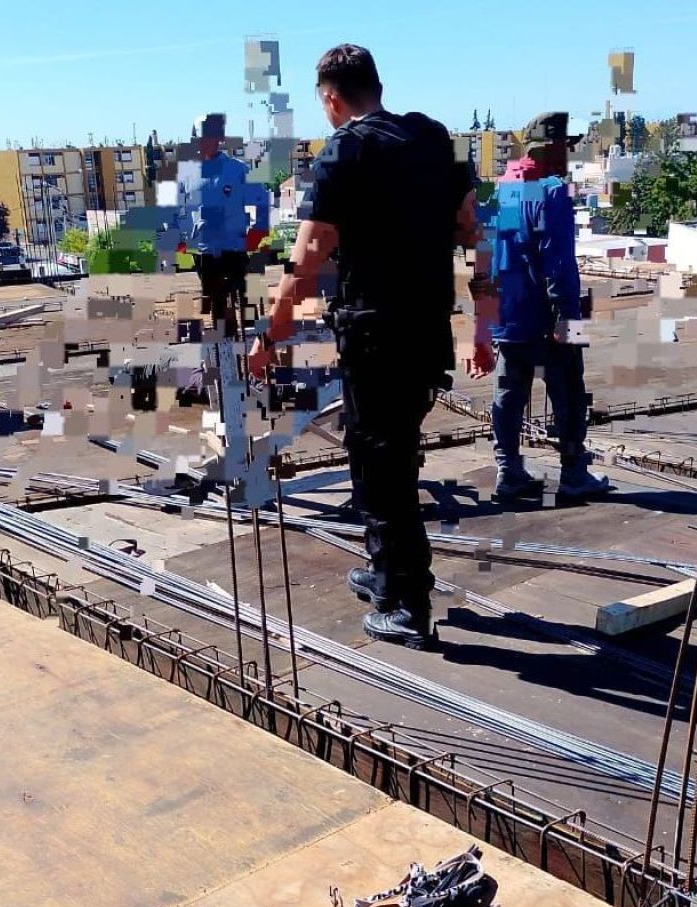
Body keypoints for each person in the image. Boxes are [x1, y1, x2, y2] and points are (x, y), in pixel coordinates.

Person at [249, 44, 479, 649]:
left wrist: (270, 334)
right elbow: (469, 226)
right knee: (382, 453)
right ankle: (384, 572)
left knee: (384, 467)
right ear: (377, 84)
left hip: (376, 333)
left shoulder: (342, 151)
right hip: (427, 328)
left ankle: (407, 603)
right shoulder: (436, 138)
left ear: (330, 97)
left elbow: (309, 255)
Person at [477, 113, 609, 500]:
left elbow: (483, 259)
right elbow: (560, 263)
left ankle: (509, 470)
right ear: (552, 148)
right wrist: (568, 316)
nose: (568, 154)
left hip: (507, 316)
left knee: (508, 395)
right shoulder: (552, 191)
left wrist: (483, 326)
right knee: (570, 390)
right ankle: (573, 472)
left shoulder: (498, 190)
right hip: (552, 316)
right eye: (566, 147)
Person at [176, 113, 269, 339]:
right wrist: (178, 236)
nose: (208, 143)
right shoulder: (186, 174)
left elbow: (262, 199)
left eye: (213, 137)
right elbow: (177, 210)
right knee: (217, 308)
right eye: (203, 138)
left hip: (234, 248)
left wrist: (259, 229)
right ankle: (227, 358)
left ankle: (257, 355)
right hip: (204, 251)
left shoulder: (236, 169)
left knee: (247, 305)